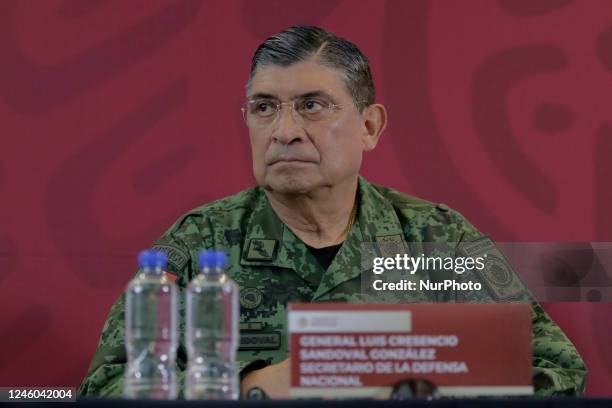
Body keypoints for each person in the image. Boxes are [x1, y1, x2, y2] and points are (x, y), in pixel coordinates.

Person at [78, 25, 587, 398]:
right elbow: (105, 387)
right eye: (264, 107)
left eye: (312, 105)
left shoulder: (435, 237)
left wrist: (431, 391)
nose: (284, 131)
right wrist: (251, 386)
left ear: (369, 126)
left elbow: (554, 369)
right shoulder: (199, 243)